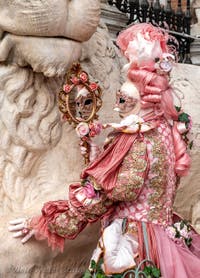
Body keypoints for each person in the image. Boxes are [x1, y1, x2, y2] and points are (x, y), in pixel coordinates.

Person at [8, 23, 200, 277]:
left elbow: (99, 197)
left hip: (135, 244)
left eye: (123, 100)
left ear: (142, 100)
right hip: (166, 236)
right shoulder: (169, 130)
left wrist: (45, 222)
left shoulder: (135, 139)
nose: (118, 107)